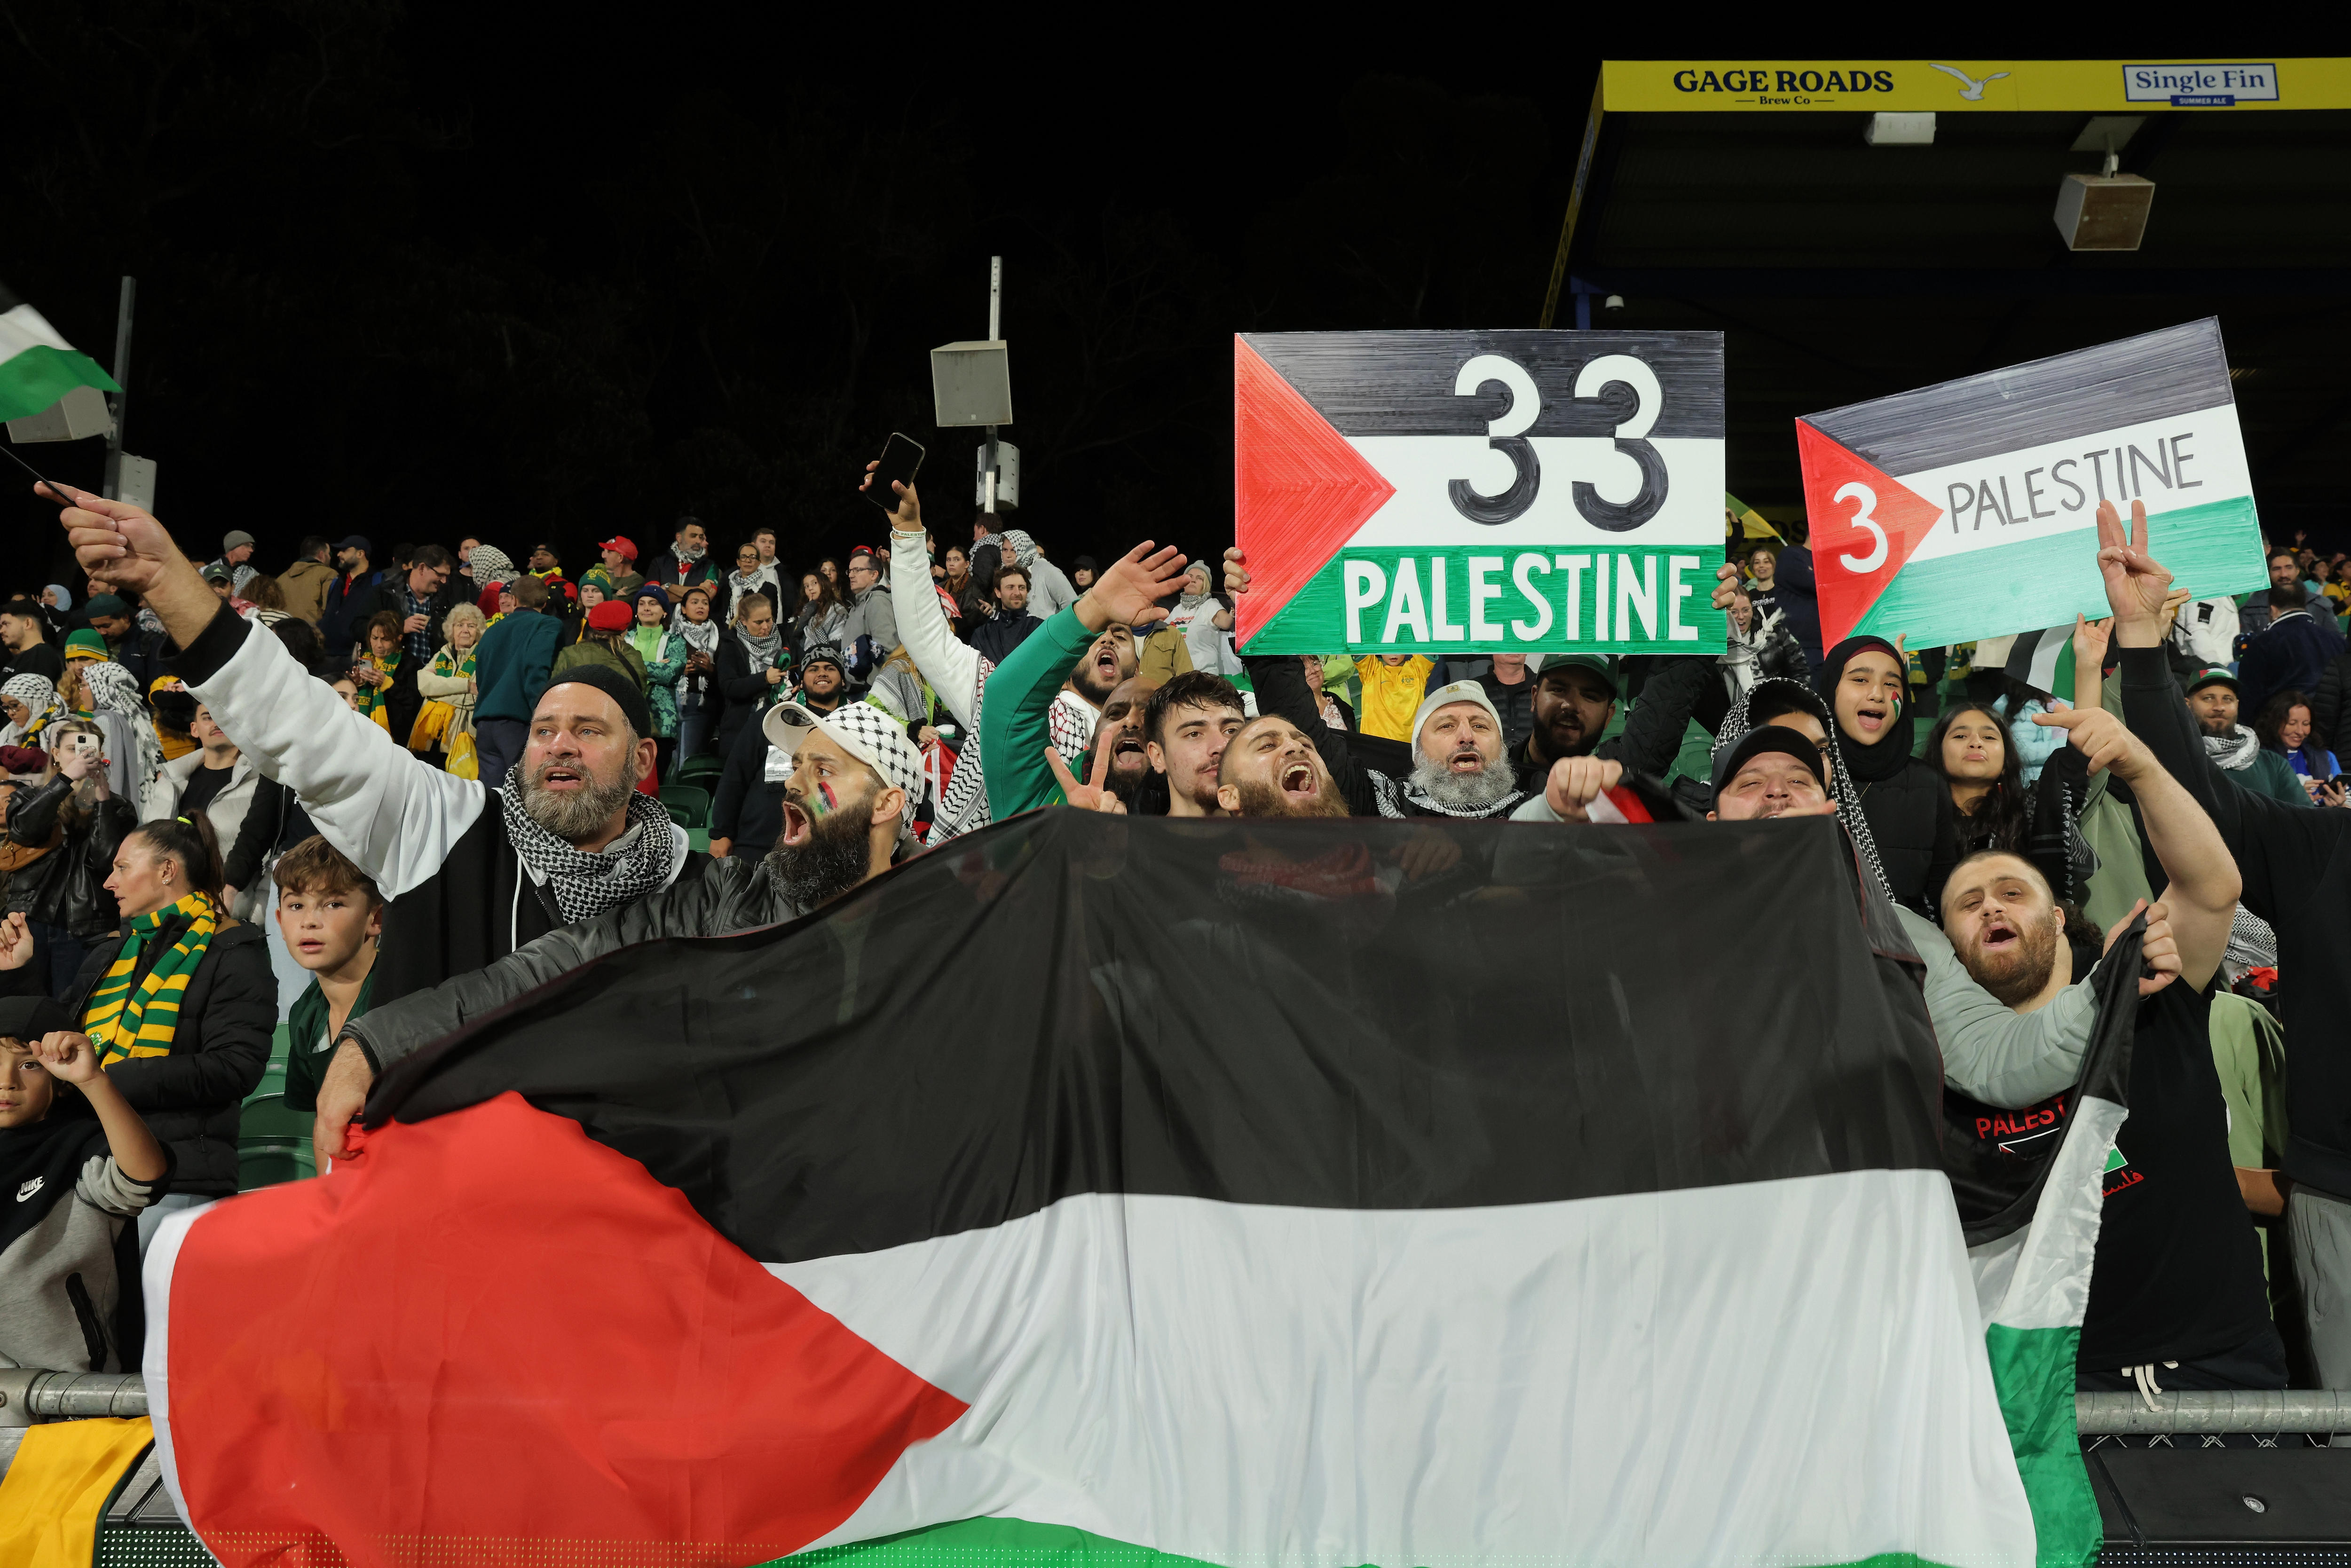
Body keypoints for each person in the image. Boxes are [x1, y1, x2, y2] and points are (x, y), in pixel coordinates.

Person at [51, 484, 708, 1141]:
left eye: (589, 730)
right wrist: (171, 584)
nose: (560, 743)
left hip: (634, 1196)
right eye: (544, 729)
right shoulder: (449, 824)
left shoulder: (699, 888)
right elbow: (302, 725)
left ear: (643, 755)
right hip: (450, 1197)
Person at [330, 696, 926, 1117]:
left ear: (886, 803)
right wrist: (376, 1043)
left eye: (823, 769)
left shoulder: (949, 923)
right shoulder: (725, 899)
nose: (793, 783)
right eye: (795, 765)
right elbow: (554, 965)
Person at [0, 814, 273, 1233]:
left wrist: (105, 1079)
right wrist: (20, 973)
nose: (109, 882)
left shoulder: (235, 951)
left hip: (180, 1177)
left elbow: (235, 1067)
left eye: (122, 868)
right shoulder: (113, 949)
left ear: (167, 870)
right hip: (87, 1164)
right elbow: (56, 1041)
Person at [0, 996, 170, 1372]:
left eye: (29, 1064)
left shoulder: (81, 1147)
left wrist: (93, 1081)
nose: (6, 1081)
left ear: (59, 1081)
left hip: (72, 1396)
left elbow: (142, 1179)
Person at [1815, 635, 1957, 913]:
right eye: (1860, 680)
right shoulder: (1803, 775)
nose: (1877, 694)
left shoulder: (1928, 783)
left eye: (1892, 684)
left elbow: (1945, 892)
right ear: (1831, 688)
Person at [4, 724, 136, 993]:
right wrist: (64, 781)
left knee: (70, 1010)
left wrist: (101, 800)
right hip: (30, 920)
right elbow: (24, 831)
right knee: (23, 1004)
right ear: (56, 754)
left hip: (88, 924)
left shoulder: (118, 807)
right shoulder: (28, 797)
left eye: (88, 748)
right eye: (71, 749)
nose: (81, 755)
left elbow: (105, 861)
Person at [272, 837, 381, 1114]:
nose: (309, 921)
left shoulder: (400, 996)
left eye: (333, 904)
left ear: (376, 918)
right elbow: (323, 1128)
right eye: (296, 906)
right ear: (281, 922)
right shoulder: (305, 1014)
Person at [161, 701, 269, 920]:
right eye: (208, 717)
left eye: (224, 716)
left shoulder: (263, 782)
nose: (217, 723)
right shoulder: (170, 782)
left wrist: (257, 914)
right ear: (194, 729)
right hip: (174, 912)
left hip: (234, 913)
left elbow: (268, 854)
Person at [472, 576, 565, 788]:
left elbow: (482, 677)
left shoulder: (492, 630)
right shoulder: (547, 624)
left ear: (514, 600)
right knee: (527, 796)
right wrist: (544, 717)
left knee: (494, 798)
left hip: (485, 724)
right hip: (520, 721)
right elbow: (537, 669)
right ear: (544, 602)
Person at [2183, 667, 2308, 809]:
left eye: (2227, 699)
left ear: (2237, 705)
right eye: (2208, 698)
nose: (2219, 707)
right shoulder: (2174, 760)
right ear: (2188, 705)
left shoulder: (2272, 764)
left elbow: (2304, 818)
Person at [1143, 671, 1248, 817]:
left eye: (1231, 731)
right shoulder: (1131, 839)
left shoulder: (1276, 837)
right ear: (1158, 756)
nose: (1220, 746)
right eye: (1194, 734)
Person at [2238, 579, 2340, 722]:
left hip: (2278, 731)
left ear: (2272, 610)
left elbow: (2250, 699)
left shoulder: (2263, 644)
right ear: (2304, 605)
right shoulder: (2337, 641)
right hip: (2330, 728)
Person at [415, 602, 487, 769]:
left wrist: (438, 692)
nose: (465, 630)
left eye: (471, 626)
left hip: (461, 736)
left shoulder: (483, 657)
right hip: (430, 735)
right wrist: (466, 685)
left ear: (479, 631)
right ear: (451, 630)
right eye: (460, 625)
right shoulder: (442, 654)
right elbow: (424, 684)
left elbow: (473, 699)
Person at [714, 593, 786, 759]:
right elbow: (729, 687)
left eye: (769, 620)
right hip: (742, 727)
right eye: (759, 622)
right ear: (743, 621)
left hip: (779, 725)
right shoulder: (731, 645)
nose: (766, 627)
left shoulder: (784, 639)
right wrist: (764, 679)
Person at [2254, 689, 2343, 804]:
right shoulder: (2260, 759)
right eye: (2292, 724)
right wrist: (2295, 798)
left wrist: (2339, 806)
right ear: (2273, 723)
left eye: (2306, 724)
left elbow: (2347, 801)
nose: (2300, 732)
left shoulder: (2327, 757)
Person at [670, 583, 723, 758]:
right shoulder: (671, 633)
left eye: (705, 603)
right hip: (672, 700)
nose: (701, 606)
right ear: (683, 609)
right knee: (671, 757)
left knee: (690, 758)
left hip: (701, 702)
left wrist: (710, 669)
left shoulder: (719, 637)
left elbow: (726, 676)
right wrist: (679, 669)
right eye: (695, 602)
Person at [839, 548, 899, 678]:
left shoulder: (877, 601)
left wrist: (870, 685)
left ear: (874, 575)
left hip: (870, 691)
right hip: (857, 691)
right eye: (850, 571)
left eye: (858, 570)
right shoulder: (858, 604)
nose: (851, 575)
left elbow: (888, 651)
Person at [320, 536, 383, 655]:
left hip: (357, 655)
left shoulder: (377, 581)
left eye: (344, 550)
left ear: (360, 554)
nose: (339, 554)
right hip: (327, 654)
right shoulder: (337, 581)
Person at [968, 564, 1042, 664]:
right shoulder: (982, 635)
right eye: (1010, 587)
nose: (1017, 593)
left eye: (1022, 588)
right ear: (998, 592)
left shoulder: (1040, 629)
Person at [1001, 528, 1077, 620]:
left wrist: (1055, 630)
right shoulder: (1004, 575)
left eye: (1013, 550)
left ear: (1024, 549)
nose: (1008, 555)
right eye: (1005, 550)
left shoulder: (1047, 571)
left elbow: (1072, 606)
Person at [649, 516, 720, 606]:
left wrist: (669, 586)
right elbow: (651, 596)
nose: (698, 541)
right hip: (664, 619)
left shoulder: (711, 566)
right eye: (693, 536)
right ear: (679, 538)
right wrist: (698, 591)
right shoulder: (659, 563)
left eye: (701, 537)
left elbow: (707, 597)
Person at [0, 597, 63, 685]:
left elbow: (25, 697)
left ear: (28, 624)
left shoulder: (41, 654)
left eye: (6, 624)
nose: (1, 631)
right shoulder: (27, 657)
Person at [277, 537, 336, 628]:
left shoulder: (280, 579)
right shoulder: (329, 574)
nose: (330, 557)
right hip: (311, 635)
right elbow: (331, 610)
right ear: (321, 555)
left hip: (281, 635)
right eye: (329, 554)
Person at [0, 673, 65, 749]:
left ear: (36, 704)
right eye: (6, 707)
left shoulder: (59, 729)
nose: (10, 713)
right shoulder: (9, 731)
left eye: (15, 705)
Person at [722, 542, 781, 624]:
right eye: (744, 557)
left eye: (753, 557)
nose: (748, 561)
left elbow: (770, 620)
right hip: (728, 634)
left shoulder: (769, 589)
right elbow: (720, 615)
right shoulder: (728, 585)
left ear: (759, 563)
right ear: (738, 562)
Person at [795, 569, 849, 651]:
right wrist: (808, 611)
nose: (810, 588)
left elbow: (838, 644)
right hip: (806, 659)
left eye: (814, 583)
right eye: (807, 586)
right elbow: (795, 635)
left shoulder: (838, 610)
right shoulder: (804, 610)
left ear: (823, 585)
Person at [583, 536, 645, 602]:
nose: (603, 556)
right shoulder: (604, 576)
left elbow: (617, 603)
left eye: (609, 552)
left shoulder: (637, 581)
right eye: (604, 552)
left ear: (620, 558)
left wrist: (599, 595)